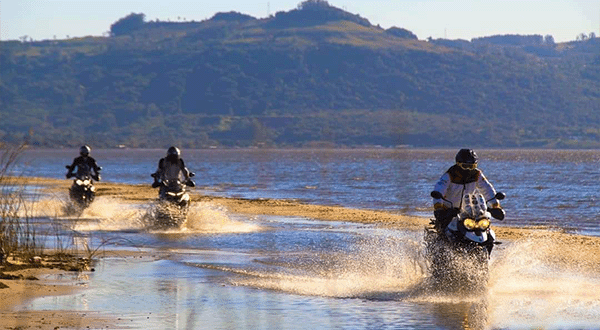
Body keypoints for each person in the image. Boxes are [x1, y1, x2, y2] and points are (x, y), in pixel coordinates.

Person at [431, 149, 501, 229]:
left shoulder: (477, 174)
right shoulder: (449, 175)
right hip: (449, 211)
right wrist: (438, 207)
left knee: (485, 226)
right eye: (465, 166)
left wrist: (495, 205)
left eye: (472, 166)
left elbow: (487, 189)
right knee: (444, 229)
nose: (468, 169)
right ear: (458, 164)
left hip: (469, 210)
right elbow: (439, 189)